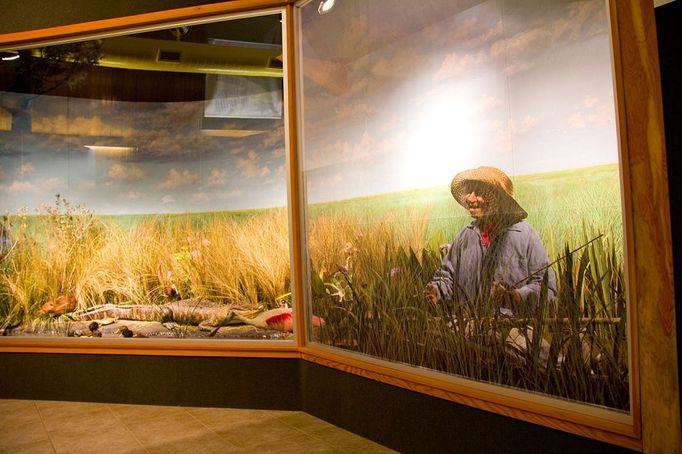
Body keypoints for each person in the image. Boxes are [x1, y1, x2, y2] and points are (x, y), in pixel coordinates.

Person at [425, 166, 556, 316]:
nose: (470, 198)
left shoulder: (525, 235)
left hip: (513, 327)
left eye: (479, 192)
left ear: (498, 197)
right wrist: (437, 290)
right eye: (469, 191)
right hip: (469, 327)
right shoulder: (465, 236)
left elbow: (547, 287)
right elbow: (447, 276)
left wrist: (516, 297)